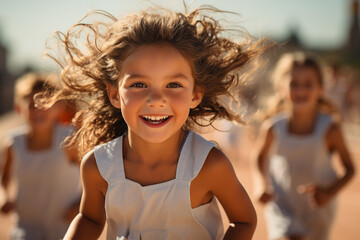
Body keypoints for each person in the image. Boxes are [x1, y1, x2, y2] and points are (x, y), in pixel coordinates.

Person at [44, 5, 269, 240]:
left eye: (173, 85)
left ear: (195, 94)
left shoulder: (209, 165)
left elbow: (243, 220)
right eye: (139, 84)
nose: (156, 100)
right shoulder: (97, 166)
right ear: (114, 94)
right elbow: (90, 218)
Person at [254, 52, 355, 240]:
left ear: (321, 89)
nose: (301, 90)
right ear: (282, 88)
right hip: (282, 204)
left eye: (308, 84)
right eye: (294, 84)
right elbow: (260, 157)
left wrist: (328, 193)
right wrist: (261, 184)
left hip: (318, 210)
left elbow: (350, 169)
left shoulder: (330, 129)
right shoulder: (272, 128)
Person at [0, 73, 82, 240]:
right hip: (26, 230)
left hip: (65, 230)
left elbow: (95, 176)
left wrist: (80, 205)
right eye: (31, 104)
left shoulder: (70, 139)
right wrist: (2, 197)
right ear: (19, 108)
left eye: (45, 103)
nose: (38, 109)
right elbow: (2, 178)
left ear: (58, 107)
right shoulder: (13, 143)